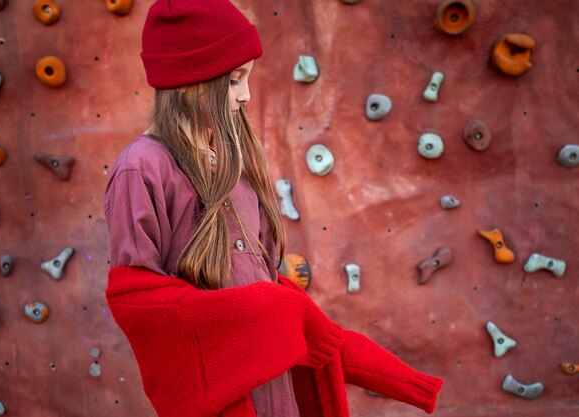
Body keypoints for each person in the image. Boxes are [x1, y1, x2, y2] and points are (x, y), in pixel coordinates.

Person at [103, 1, 444, 416]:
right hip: (224, 402)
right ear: (189, 80)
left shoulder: (236, 163)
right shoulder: (142, 169)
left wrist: (401, 378)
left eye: (247, 78)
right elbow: (141, 306)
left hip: (277, 391)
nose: (246, 95)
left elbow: (277, 295)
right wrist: (273, 313)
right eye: (233, 81)